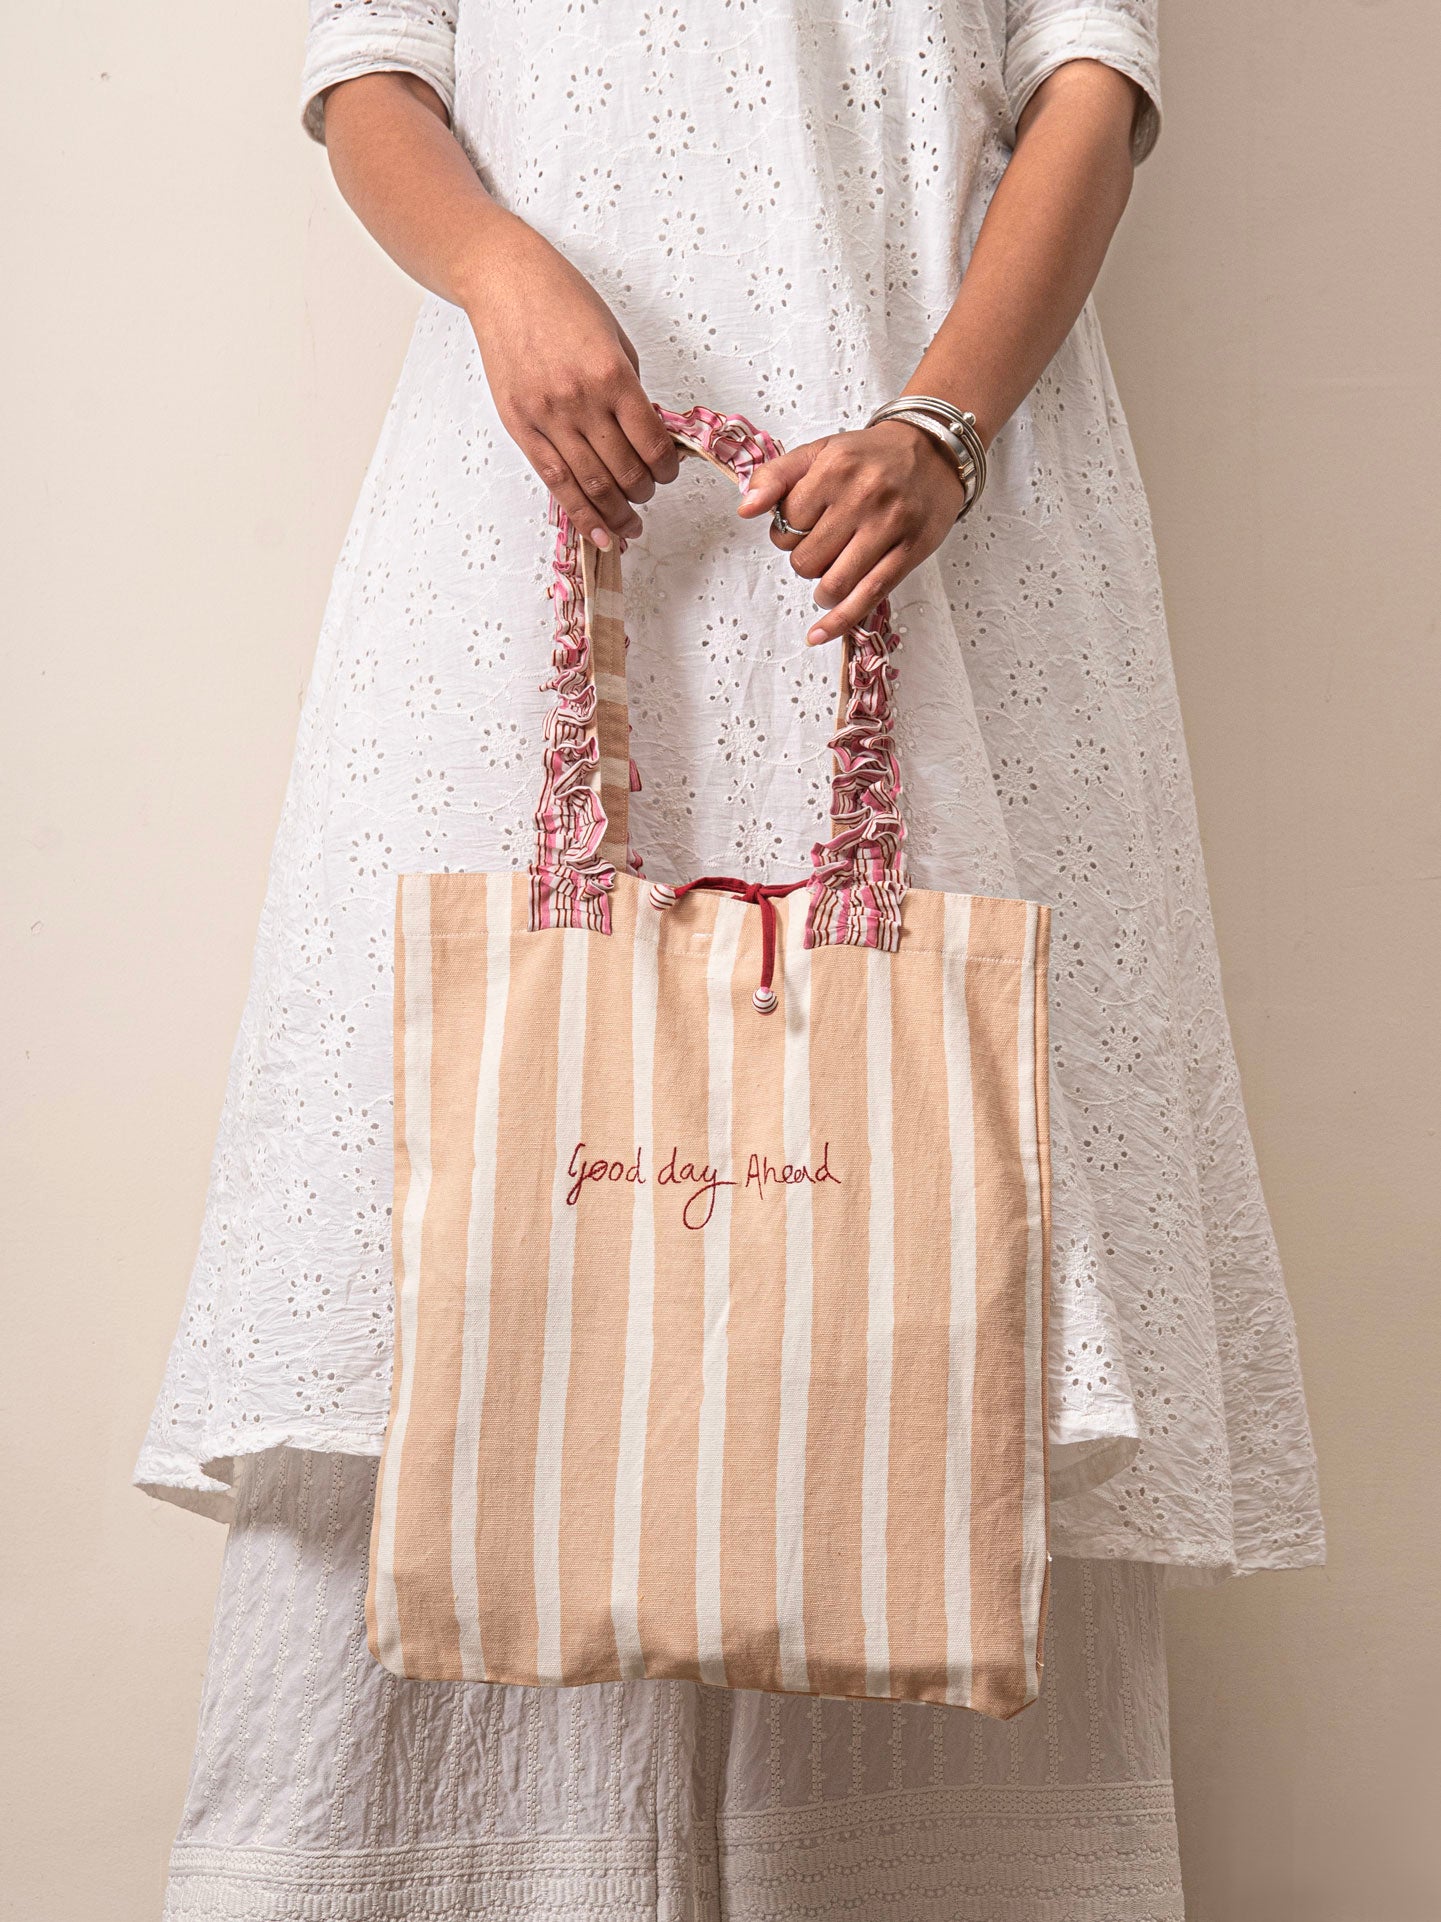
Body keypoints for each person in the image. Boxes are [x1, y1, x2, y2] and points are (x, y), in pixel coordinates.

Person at [143, 5, 1323, 1917]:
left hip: (924, 513)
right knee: (464, 1220)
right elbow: (369, 61)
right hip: (526, 484)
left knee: (932, 1243)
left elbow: (1089, 82)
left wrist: (945, 420)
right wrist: (498, 272)